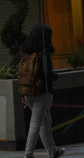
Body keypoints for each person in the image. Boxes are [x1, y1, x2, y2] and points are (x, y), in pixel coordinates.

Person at [21, 23, 65, 158]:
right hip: (42, 92)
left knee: (44, 122)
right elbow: (47, 73)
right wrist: (55, 76)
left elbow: (23, 73)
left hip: (28, 92)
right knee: (36, 123)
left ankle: (53, 151)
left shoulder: (25, 50)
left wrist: (22, 94)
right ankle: (28, 153)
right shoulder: (44, 51)